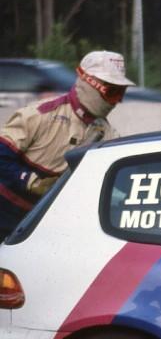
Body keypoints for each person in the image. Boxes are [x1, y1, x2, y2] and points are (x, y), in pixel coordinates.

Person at [0, 50, 134, 240]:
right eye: (112, 92)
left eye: (121, 93)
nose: (117, 101)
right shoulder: (39, 114)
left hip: (39, 224)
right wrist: (29, 180)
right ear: (90, 83)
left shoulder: (107, 133)